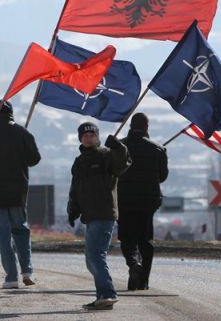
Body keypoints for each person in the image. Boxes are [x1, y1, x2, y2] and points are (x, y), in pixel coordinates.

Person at [67, 122, 131, 311]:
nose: (88, 137)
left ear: (98, 137)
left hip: (104, 213)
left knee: (96, 255)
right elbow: (75, 189)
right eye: (85, 135)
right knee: (91, 258)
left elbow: (122, 165)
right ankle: (102, 296)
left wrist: (119, 146)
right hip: (90, 215)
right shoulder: (79, 162)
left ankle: (108, 294)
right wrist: (73, 210)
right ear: (80, 138)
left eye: (92, 134)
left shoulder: (106, 155)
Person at [0, 100, 41, 289]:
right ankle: (27, 271)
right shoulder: (22, 132)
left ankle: (11, 277)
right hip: (18, 191)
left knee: (3, 235)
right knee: (21, 231)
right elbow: (35, 159)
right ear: (11, 113)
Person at [117, 113, 169, 290]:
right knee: (145, 239)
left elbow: (112, 172)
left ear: (130, 126)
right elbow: (162, 176)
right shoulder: (158, 149)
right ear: (147, 127)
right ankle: (143, 280)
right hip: (148, 201)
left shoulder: (119, 146)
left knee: (127, 237)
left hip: (124, 200)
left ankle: (133, 264)